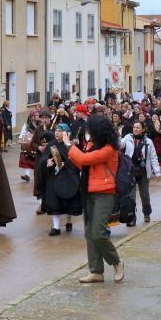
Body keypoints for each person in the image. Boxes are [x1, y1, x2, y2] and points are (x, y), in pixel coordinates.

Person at [63, 115, 125, 284]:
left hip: (104, 193)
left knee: (98, 233)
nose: (87, 132)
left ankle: (117, 262)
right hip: (88, 192)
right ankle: (96, 271)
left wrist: (68, 145)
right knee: (89, 233)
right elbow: (84, 165)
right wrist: (71, 152)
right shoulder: (93, 145)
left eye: (90, 129)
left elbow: (85, 159)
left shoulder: (109, 149)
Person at [36, 125, 82, 235]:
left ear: (66, 133)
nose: (57, 133)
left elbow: (77, 162)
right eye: (56, 130)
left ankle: (69, 221)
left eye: (60, 131)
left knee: (69, 201)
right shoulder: (51, 145)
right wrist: (47, 161)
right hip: (54, 177)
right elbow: (42, 159)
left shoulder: (70, 146)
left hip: (69, 178)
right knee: (54, 202)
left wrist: (66, 164)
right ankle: (56, 228)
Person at [120, 120, 161, 225]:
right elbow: (119, 145)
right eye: (134, 127)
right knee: (131, 196)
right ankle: (131, 218)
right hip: (130, 171)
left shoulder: (148, 141)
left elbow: (153, 157)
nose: (135, 129)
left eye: (138, 127)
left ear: (143, 129)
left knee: (145, 195)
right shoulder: (127, 138)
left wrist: (157, 172)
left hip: (143, 171)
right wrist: (117, 135)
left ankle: (147, 214)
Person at [18, 108, 41, 182]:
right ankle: (27, 175)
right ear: (32, 117)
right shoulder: (27, 124)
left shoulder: (40, 124)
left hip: (37, 144)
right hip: (29, 145)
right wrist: (21, 139)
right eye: (36, 115)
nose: (38, 116)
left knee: (37, 161)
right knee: (28, 159)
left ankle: (38, 176)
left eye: (38, 115)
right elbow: (23, 132)